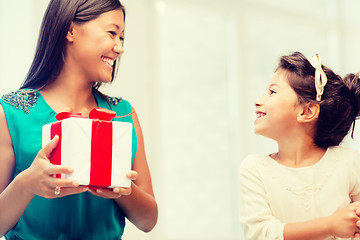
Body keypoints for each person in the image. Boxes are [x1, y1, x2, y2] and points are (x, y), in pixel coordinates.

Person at [0, 0, 158, 239]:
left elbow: (149, 221)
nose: (119, 47)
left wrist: (123, 190)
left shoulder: (124, 114)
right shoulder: (12, 113)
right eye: (112, 33)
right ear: (71, 30)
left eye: (122, 38)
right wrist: (26, 183)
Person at [239, 51, 360, 240]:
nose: (257, 101)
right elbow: (260, 233)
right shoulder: (255, 169)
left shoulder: (350, 163)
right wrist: (330, 225)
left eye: (272, 92)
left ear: (307, 111)